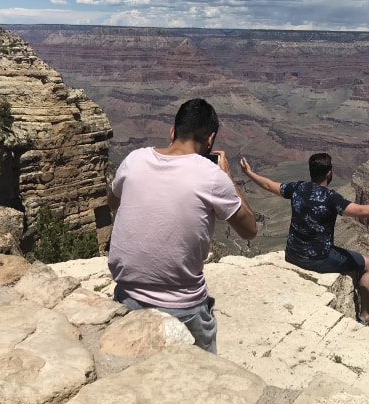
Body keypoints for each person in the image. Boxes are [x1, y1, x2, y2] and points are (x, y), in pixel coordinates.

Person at [108, 99, 257, 354]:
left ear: (172, 131)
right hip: (183, 309)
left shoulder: (134, 159)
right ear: (210, 140)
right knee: (203, 379)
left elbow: (113, 203)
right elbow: (249, 230)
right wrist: (228, 178)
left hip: (126, 298)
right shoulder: (212, 176)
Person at [240, 153, 369, 326]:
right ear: (329, 173)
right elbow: (361, 211)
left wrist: (249, 172)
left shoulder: (297, 188)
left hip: (292, 254)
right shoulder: (331, 198)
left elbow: (268, 185)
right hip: (318, 259)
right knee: (368, 264)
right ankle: (366, 317)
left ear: (311, 171)